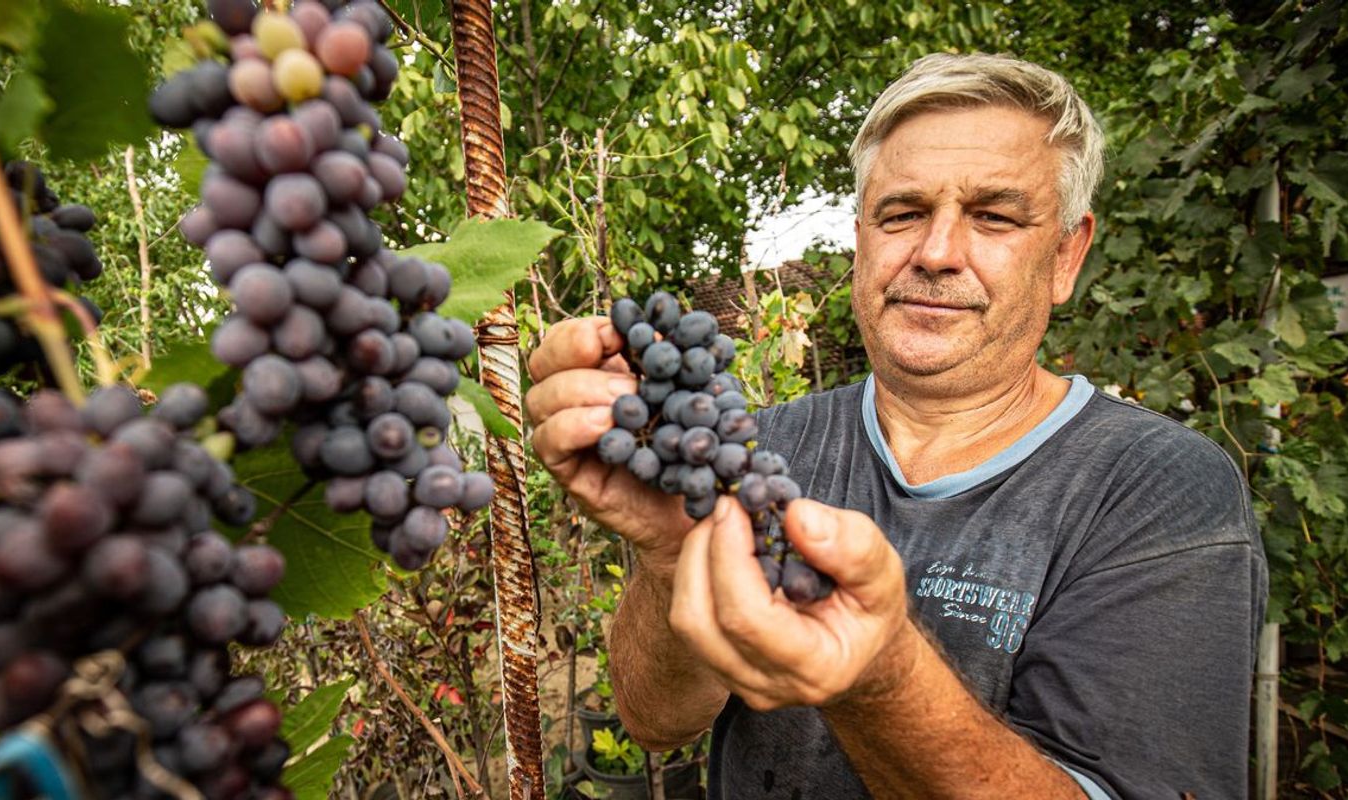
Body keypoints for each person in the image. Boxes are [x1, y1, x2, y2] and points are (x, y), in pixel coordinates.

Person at [525, 53, 1267, 799]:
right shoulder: (759, 448)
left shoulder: (1162, 494)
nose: (937, 253)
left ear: (1066, 255)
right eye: (903, 213)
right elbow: (656, 721)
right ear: (861, 239)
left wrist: (880, 680)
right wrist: (667, 553)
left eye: (995, 217)